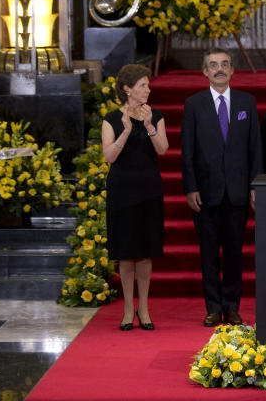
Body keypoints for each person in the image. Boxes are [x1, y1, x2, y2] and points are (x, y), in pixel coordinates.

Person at [182, 47, 262, 327]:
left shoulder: (246, 103)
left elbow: (255, 149)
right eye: (213, 65)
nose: (219, 69)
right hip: (205, 193)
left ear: (232, 70)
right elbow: (187, 152)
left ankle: (232, 306)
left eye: (224, 64)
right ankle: (213, 307)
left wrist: (254, 185)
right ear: (205, 71)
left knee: (234, 253)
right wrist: (190, 187)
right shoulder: (194, 104)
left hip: (238, 192)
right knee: (208, 254)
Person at [101, 63, 170, 332]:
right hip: (122, 191)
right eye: (143, 85)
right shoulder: (111, 119)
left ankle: (144, 307)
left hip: (149, 189)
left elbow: (163, 150)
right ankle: (128, 308)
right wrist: (127, 130)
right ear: (127, 89)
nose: (148, 89)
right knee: (126, 254)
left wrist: (149, 126)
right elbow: (109, 157)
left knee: (145, 252)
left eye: (148, 85)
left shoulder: (157, 115)